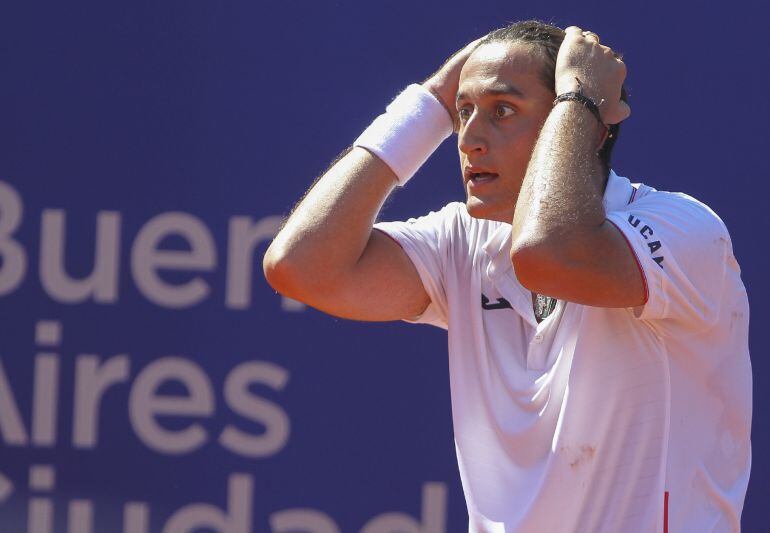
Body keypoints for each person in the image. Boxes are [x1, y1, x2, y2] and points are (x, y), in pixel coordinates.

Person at [263, 20, 752, 532]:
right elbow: (300, 268)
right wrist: (428, 104)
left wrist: (581, 99)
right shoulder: (462, 241)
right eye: (463, 112)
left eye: (503, 111)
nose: (470, 138)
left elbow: (550, 253)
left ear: (587, 124)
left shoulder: (684, 231)